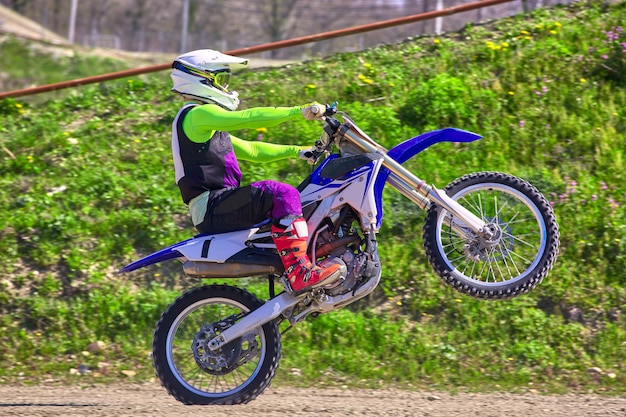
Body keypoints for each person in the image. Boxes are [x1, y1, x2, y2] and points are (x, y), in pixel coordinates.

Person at [170, 49, 345, 295]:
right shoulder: (197, 115)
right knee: (280, 192)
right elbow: (248, 118)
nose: (226, 87)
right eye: (221, 80)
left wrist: (298, 151)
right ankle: (300, 272)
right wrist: (299, 111)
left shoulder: (207, 126)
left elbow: (252, 150)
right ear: (201, 80)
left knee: (300, 198)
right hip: (212, 207)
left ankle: (304, 258)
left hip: (217, 205)